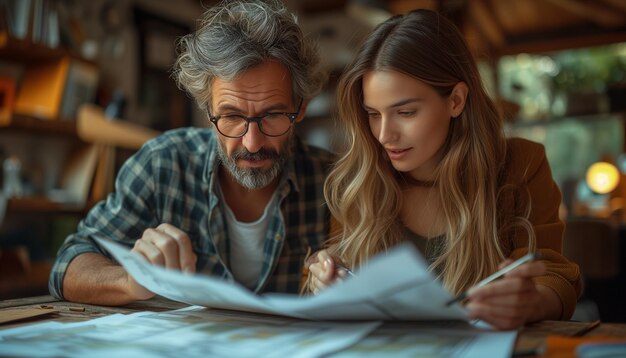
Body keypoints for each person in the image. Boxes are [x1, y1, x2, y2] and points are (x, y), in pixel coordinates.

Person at [306, 9, 581, 330]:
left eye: (405, 112)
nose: (384, 135)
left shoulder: (520, 165)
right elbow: (323, 272)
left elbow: (554, 275)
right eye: (373, 113)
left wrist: (533, 301)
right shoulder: (360, 178)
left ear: (456, 100)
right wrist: (322, 282)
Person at [49, 0, 332, 305]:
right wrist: (129, 282)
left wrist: (343, 279)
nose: (252, 143)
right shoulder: (162, 164)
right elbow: (67, 265)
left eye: (272, 115)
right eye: (232, 117)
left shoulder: (334, 180)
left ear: (300, 107)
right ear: (207, 107)